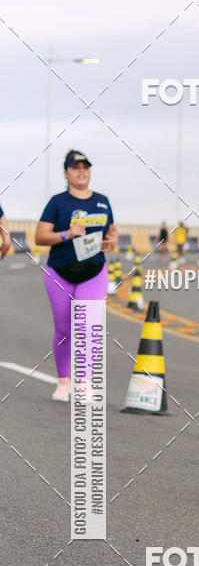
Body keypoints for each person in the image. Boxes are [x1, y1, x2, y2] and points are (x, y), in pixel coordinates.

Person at [35, 149, 117, 401]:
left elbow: (111, 230)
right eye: (76, 167)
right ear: (66, 173)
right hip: (60, 273)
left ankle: (84, 383)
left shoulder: (102, 201)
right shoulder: (58, 202)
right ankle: (63, 382)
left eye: (85, 167)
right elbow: (39, 236)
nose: (82, 171)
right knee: (64, 330)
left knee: (88, 327)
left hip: (93, 272)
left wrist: (111, 241)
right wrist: (66, 234)